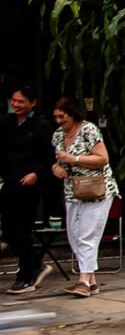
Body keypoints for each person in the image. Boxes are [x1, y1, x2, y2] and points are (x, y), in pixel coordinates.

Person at [50, 97, 118, 297]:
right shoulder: (58, 136)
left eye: (62, 116)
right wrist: (56, 168)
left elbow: (103, 158)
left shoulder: (88, 129)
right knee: (74, 235)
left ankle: (83, 281)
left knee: (88, 235)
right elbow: (59, 161)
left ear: (73, 114)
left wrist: (75, 159)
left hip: (96, 189)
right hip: (73, 190)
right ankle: (92, 281)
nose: (59, 120)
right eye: (56, 117)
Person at [2, 86, 57, 295]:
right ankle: (37, 264)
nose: (16, 105)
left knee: (22, 230)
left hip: (29, 183)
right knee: (8, 231)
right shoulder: (6, 123)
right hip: (10, 181)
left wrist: (36, 173)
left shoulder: (41, 125)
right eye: (14, 101)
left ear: (32, 103)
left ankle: (26, 276)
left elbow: (49, 156)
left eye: (21, 102)